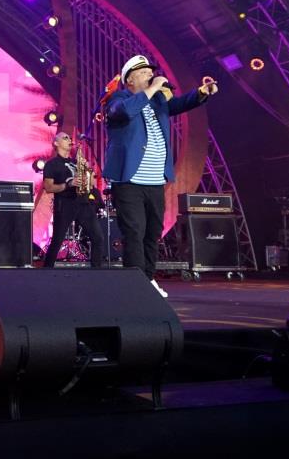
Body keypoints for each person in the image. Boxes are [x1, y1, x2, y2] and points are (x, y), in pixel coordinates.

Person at [102, 54, 218, 298]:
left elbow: (179, 104)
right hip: (129, 181)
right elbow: (124, 112)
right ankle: (135, 284)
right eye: (144, 73)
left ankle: (147, 279)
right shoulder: (119, 99)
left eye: (150, 73)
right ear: (130, 79)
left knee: (152, 232)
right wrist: (153, 88)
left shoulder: (157, 102)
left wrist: (202, 92)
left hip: (155, 182)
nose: (150, 75)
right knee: (134, 231)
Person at [42, 132, 106, 268]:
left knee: (98, 237)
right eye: (65, 138)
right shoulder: (52, 164)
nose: (69, 139)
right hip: (65, 205)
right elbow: (48, 187)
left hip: (83, 204)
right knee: (57, 241)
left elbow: (90, 183)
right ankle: (46, 270)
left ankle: (97, 273)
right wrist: (68, 184)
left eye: (70, 138)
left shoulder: (76, 162)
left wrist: (88, 174)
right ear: (56, 143)